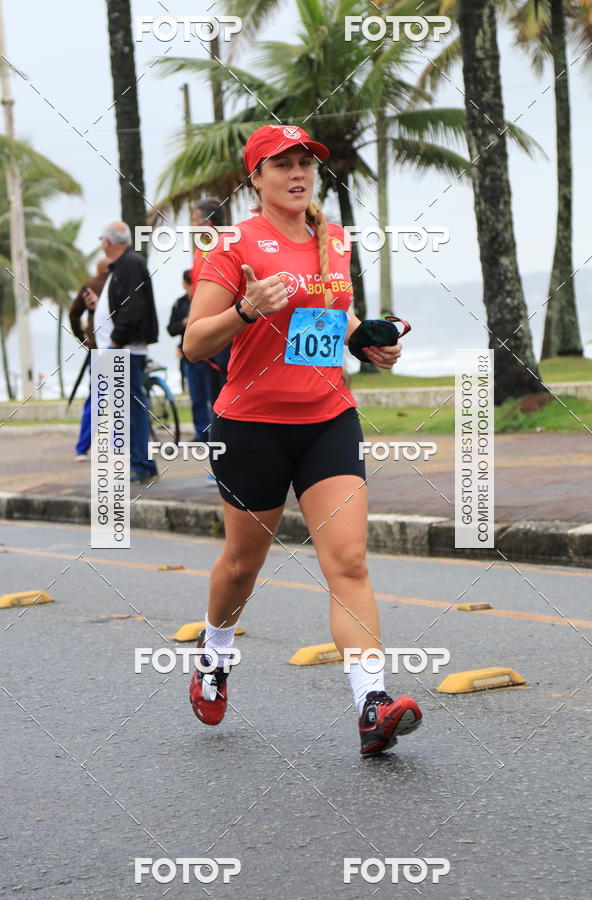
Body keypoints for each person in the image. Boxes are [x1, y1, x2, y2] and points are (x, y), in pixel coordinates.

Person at [182, 124, 422, 757]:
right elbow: (194, 341)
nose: (298, 173)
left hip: (327, 419)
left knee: (348, 562)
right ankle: (216, 648)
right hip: (252, 424)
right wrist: (245, 310)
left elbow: (330, 320)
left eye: (305, 163)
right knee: (242, 566)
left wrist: (364, 341)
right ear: (255, 178)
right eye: (281, 164)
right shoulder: (231, 243)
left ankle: (372, 703)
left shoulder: (333, 239)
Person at [83, 221, 159, 484]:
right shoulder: (123, 266)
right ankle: (142, 463)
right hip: (119, 348)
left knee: (130, 410)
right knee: (126, 410)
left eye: (102, 239)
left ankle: (140, 463)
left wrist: (115, 340)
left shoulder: (130, 264)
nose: (101, 244)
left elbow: (133, 306)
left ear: (108, 242)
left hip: (123, 349)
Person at [190, 197, 231, 404]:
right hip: (204, 329)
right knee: (213, 397)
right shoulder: (201, 249)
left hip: (224, 330)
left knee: (227, 390)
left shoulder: (227, 246)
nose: (191, 226)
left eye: (194, 220)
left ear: (208, 223)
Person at [69, 258, 109, 461]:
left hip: (97, 349)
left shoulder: (89, 286)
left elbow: (73, 314)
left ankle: (82, 448)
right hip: (122, 346)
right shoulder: (118, 283)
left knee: (96, 399)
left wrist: (82, 338)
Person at [167, 270, 211, 442]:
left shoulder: (208, 298)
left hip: (210, 355)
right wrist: (185, 323)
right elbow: (171, 329)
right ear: (186, 284)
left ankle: (216, 431)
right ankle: (201, 432)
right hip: (190, 356)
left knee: (214, 395)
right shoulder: (179, 304)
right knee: (197, 396)